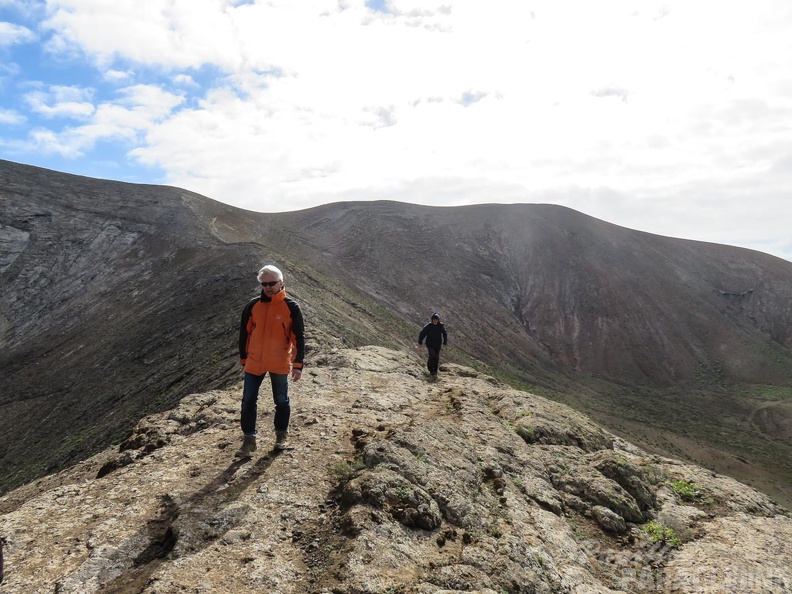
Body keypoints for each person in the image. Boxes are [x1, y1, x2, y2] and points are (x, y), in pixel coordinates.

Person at [236, 265, 305, 457]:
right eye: (264, 284)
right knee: (248, 401)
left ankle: (281, 437)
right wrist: (244, 358)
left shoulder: (291, 307)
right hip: (254, 361)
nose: (268, 287)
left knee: (281, 401)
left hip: (278, 361)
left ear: (281, 283)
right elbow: (244, 334)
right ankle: (249, 441)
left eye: (272, 283)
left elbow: (298, 337)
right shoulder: (252, 306)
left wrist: (298, 364)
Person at [418, 312, 447, 377]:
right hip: (430, 344)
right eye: (434, 319)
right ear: (432, 320)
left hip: (437, 345)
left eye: (436, 319)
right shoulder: (429, 326)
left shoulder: (440, 326)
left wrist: (445, 342)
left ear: (438, 320)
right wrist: (420, 342)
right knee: (432, 355)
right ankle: (431, 370)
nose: (435, 320)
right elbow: (422, 333)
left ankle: (435, 371)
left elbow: (445, 333)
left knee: (436, 358)